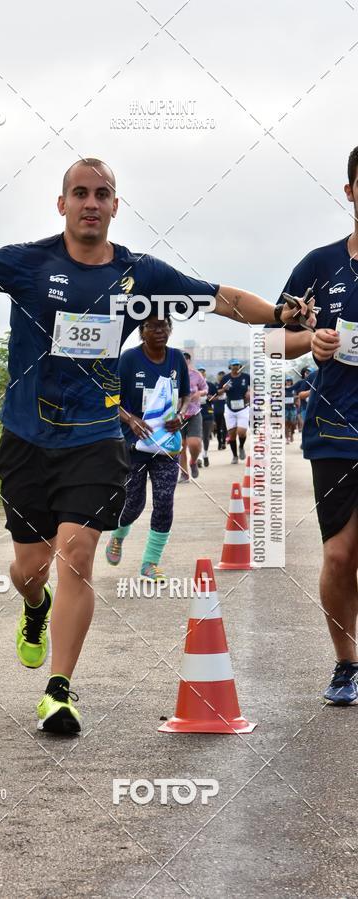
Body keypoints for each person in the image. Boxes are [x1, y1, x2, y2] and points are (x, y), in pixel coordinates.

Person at [0, 157, 309, 734]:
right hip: (27, 437)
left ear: (114, 207)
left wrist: (277, 313)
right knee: (30, 569)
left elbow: (221, 297)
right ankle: (35, 608)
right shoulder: (26, 262)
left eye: (101, 194)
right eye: (79, 193)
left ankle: (59, 690)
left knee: (76, 557)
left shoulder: (139, 274)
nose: (90, 203)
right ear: (62, 205)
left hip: (97, 438)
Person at [276, 145, 358, 705]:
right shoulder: (320, 264)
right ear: (350, 191)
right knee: (338, 556)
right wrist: (312, 340)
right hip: (334, 430)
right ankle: (347, 664)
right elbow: (275, 338)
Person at [104, 314, 189, 580]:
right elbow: (109, 399)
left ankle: (150, 562)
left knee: (164, 502)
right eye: (151, 326)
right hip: (133, 444)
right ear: (142, 331)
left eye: (164, 326)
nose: (159, 330)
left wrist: (181, 415)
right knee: (133, 503)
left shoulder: (176, 359)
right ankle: (118, 536)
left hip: (166, 446)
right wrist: (131, 419)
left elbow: (185, 396)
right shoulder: (129, 359)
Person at [179, 353, 207, 481]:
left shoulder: (196, 375)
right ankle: (184, 474)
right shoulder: (172, 374)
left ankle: (193, 461)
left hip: (194, 413)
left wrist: (199, 393)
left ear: (189, 361)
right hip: (177, 414)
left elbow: (205, 388)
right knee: (180, 446)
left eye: (185, 360)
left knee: (194, 443)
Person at [217, 360, 251, 464]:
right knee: (231, 435)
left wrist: (250, 392)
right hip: (230, 408)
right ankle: (235, 456)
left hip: (243, 408)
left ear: (240, 366)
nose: (235, 367)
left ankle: (241, 446)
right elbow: (218, 392)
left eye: (237, 365)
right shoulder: (225, 378)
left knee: (241, 431)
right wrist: (223, 389)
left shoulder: (246, 377)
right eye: (233, 365)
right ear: (230, 367)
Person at [197, 366, 217, 467]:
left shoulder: (210, 385)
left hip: (208, 412)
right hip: (195, 413)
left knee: (206, 436)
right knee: (198, 436)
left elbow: (218, 396)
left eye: (203, 372)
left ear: (205, 374)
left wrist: (211, 397)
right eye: (199, 372)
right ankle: (199, 457)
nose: (201, 373)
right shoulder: (193, 385)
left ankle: (205, 454)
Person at [213, 370, 227, 449]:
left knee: (224, 426)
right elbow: (214, 394)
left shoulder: (229, 385)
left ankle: (223, 442)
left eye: (223, 377)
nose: (221, 378)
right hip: (217, 407)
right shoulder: (215, 385)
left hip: (225, 406)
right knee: (218, 426)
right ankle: (219, 442)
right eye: (220, 376)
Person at [284, 375, 298, 443]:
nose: (288, 382)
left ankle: (292, 434)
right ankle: (287, 438)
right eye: (287, 381)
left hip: (293, 408)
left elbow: (297, 396)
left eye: (289, 381)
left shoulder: (294, 389)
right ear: (285, 382)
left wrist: (295, 398)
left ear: (291, 382)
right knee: (286, 423)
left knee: (293, 423)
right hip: (285, 408)